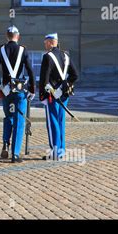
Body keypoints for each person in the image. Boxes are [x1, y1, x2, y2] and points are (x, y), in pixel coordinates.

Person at [0, 26, 35, 163]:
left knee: (8, 117)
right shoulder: (23, 50)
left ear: (6, 36)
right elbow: (30, 71)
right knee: (19, 121)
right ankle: (15, 153)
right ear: (17, 36)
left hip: (6, 90)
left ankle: (5, 143)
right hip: (20, 91)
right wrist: (32, 89)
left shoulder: (0, 50)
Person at [39, 33, 78, 161]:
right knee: (61, 121)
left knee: (53, 123)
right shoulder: (66, 56)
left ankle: (55, 151)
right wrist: (65, 86)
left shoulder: (47, 57)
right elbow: (74, 75)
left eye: (45, 42)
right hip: (63, 95)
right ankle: (61, 150)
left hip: (52, 95)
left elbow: (44, 80)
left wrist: (42, 96)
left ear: (51, 42)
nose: (45, 45)